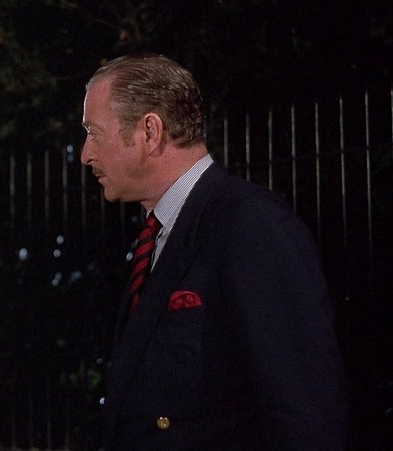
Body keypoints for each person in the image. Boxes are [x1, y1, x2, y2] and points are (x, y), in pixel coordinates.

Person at [80, 53, 346, 449]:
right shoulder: (160, 233)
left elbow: (304, 411)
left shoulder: (250, 223)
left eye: (94, 133)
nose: (86, 153)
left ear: (150, 131)